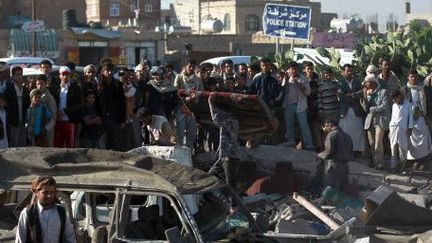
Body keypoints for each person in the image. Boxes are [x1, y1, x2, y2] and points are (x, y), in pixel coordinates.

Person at [16, 176, 76, 243]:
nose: (49, 196)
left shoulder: (61, 212)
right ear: (36, 192)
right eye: (45, 192)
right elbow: (20, 240)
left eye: (51, 192)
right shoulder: (27, 213)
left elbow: (70, 237)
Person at [207, 92, 240, 188]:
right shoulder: (232, 119)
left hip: (229, 157)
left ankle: (234, 202)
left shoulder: (229, 121)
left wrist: (210, 102)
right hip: (224, 156)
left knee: (230, 183)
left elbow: (215, 118)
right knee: (209, 177)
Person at [401, 70, 432, 166]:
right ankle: (412, 161)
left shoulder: (422, 89)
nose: (413, 78)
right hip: (408, 119)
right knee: (409, 139)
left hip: (420, 117)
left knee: (423, 138)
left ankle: (422, 161)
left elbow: (426, 103)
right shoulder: (404, 89)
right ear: (408, 77)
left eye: (415, 76)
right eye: (411, 77)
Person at [282, 61, 314, 150]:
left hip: (301, 106)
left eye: (295, 69)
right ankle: (290, 142)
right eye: (292, 69)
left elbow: (308, 92)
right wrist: (286, 80)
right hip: (288, 105)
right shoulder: (286, 78)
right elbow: (282, 91)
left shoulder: (304, 78)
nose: (294, 71)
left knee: (304, 125)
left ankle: (309, 145)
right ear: (288, 70)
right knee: (289, 125)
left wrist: (297, 83)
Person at [362, 74, 390, 169]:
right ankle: (375, 162)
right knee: (372, 143)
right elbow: (366, 109)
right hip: (370, 121)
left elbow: (385, 106)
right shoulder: (368, 93)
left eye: (367, 82)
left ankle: (380, 162)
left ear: (373, 82)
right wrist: (365, 97)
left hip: (380, 121)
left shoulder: (383, 92)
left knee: (378, 143)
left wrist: (374, 109)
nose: (365, 84)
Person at [317, 120, 353, 193]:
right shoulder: (347, 135)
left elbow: (329, 152)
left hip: (335, 166)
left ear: (330, 125)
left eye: (325, 126)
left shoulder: (331, 135)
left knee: (331, 189)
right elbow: (351, 150)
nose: (324, 129)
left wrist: (320, 155)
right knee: (343, 190)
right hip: (345, 166)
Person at [338, 64, 366, 156]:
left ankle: (356, 151)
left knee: (357, 131)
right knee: (345, 132)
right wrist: (354, 95)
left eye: (351, 71)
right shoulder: (340, 83)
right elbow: (341, 97)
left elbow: (361, 93)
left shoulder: (357, 82)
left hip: (356, 110)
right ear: (343, 72)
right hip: (345, 111)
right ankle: (345, 151)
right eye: (348, 71)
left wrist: (350, 95)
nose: (350, 73)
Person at [174, 60, 201, 149]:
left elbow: (201, 93)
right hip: (181, 110)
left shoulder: (197, 80)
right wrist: (185, 98)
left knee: (191, 134)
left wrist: (195, 97)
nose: (191, 68)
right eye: (190, 66)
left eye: (193, 67)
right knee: (180, 134)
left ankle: (189, 154)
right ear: (185, 67)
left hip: (192, 111)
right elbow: (175, 92)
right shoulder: (179, 77)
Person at [53, 66, 82, 148]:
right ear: (60, 76)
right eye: (63, 74)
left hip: (70, 120)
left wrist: (65, 111)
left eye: (67, 74)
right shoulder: (55, 88)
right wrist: (56, 113)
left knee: (70, 144)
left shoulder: (75, 88)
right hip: (58, 120)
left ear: (70, 75)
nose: (65, 76)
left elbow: (78, 105)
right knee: (57, 144)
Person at [98, 62, 126, 151]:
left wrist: (122, 120)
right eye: (107, 70)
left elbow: (122, 103)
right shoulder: (99, 85)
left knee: (114, 144)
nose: (109, 73)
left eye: (111, 70)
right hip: (102, 119)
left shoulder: (118, 84)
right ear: (103, 71)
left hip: (115, 119)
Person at [4, 66, 30, 147]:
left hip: (23, 122)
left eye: (21, 74)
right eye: (17, 75)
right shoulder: (8, 90)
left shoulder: (25, 90)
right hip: (13, 123)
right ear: (13, 77)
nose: (19, 77)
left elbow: (28, 105)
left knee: (22, 145)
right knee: (14, 145)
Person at [389, 89, 413, 172]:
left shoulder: (407, 104)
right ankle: (393, 167)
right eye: (393, 100)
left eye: (395, 99)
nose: (394, 101)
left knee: (403, 148)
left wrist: (410, 128)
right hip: (393, 128)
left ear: (399, 97)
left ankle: (403, 167)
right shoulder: (394, 105)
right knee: (393, 147)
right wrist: (390, 130)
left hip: (403, 128)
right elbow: (392, 118)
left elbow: (411, 118)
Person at [35, 74, 57, 147]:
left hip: (46, 131)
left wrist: (45, 129)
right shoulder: (33, 95)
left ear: (46, 84)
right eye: (38, 84)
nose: (40, 86)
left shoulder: (49, 98)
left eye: (42, 83)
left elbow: (53, 117)